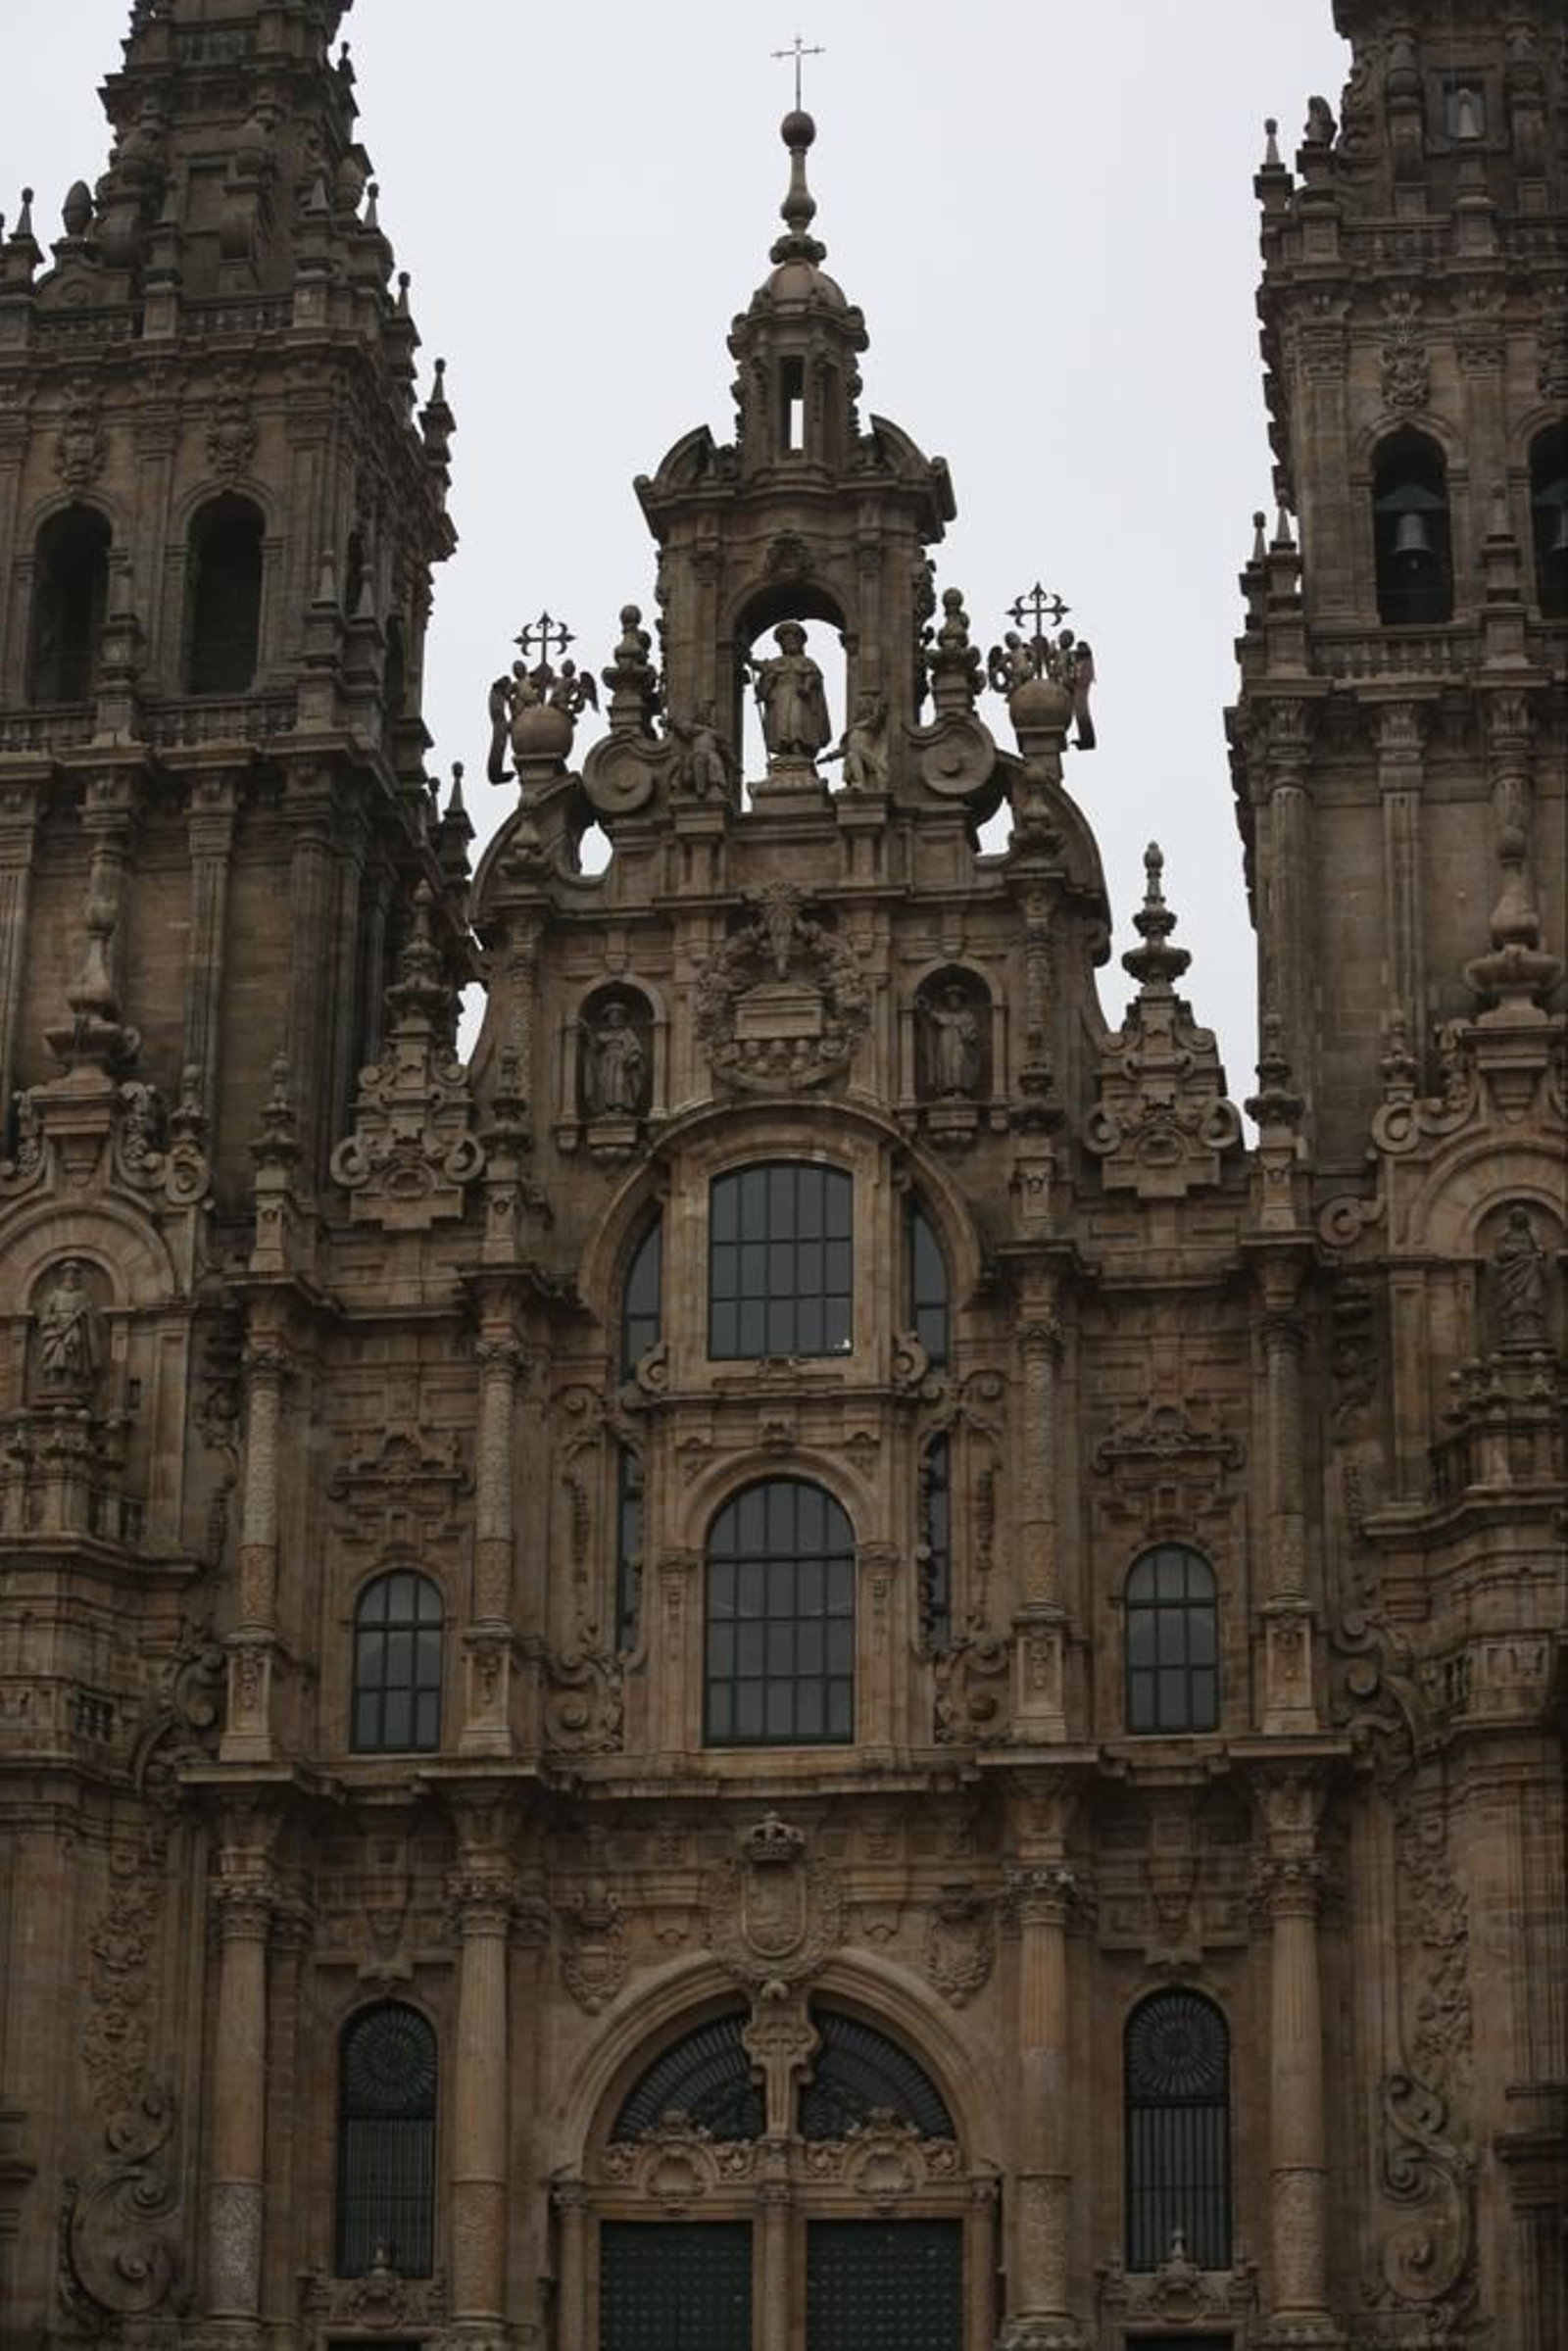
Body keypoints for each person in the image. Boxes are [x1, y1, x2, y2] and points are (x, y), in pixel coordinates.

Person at [750, 621, 831, 759]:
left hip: (799, 696)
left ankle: (797, 746)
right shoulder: (776, 662)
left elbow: (814, 676)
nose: (790, 644)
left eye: (793, 640)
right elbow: (763, 669)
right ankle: (784, 748)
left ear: (800, 643)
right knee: (781, 723)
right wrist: (764, 691)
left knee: (796, 721)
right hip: (779, 698)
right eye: (786, 642)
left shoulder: (806, 662)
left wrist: (806, 687)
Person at [36, 1259, 95, 1390]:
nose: (71, 1275)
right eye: (68, 1272)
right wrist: (56, 1319)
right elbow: (44, 1317)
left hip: (73, 1329)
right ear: (63, 1275)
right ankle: (52, 1382)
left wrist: (83, 1315)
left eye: (75, 1272)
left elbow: (88, 1317)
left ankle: (70, 1382)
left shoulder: (81, 1295)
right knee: (54, 1355)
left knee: (72, 1354)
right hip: (56, 1330)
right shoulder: (55, 1295)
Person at [583, 1004, 646, 1117]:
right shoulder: (603, 1034)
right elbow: (594, 1047)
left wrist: (634, 1057)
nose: (614, 1019)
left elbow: (635, 1048)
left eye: (617, 1016)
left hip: (622, 1062)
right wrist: (587, 1032)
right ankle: (606, 1106)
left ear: (622, 1018)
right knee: (605, 1082)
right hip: (606, 1062)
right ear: (608, 1019)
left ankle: (619, 1106)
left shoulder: (627, 1033)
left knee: (620, 1082)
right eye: (612, 1016)